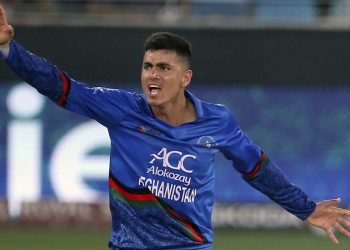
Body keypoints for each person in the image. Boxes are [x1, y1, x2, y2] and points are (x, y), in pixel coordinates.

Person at [1, 5, 350, 250]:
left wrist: (306, 208)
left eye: (164, 67)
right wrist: (8, 48)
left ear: (185, 78)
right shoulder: (123, 109)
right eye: (148, 66)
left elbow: (256, 167)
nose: (152, 74)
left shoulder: (218, 121)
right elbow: (60, 86)